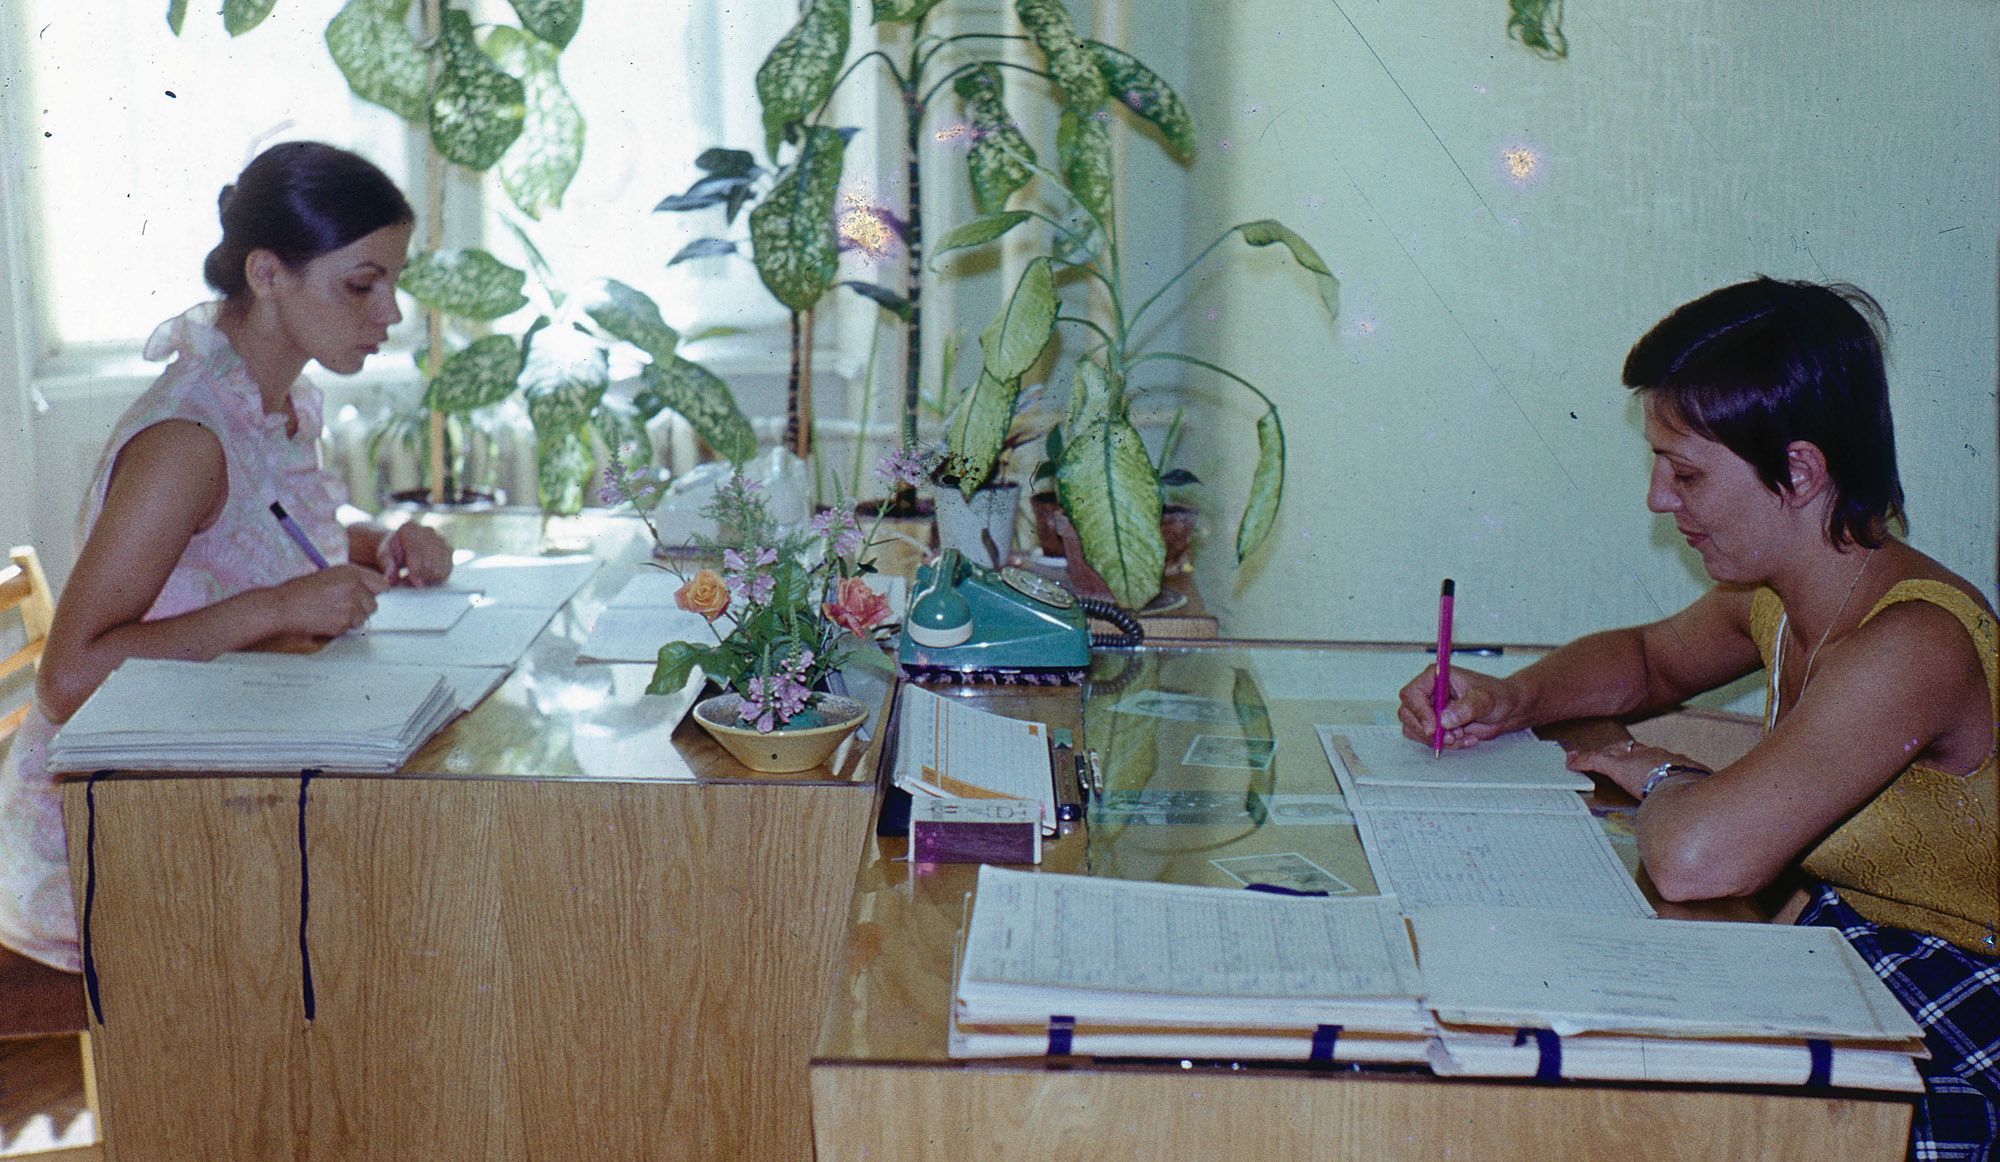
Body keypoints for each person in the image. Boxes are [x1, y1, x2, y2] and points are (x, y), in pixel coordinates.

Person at [1400, 276, 1997, 1158]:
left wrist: (1664, 775)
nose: (1658, 498)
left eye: (1685, 472)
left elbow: (1694, 859)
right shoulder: (1780, 594)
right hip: (1847, 961)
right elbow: (1649, 659)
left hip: (1961, 1011)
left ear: (1800, 472)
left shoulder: (1913, 643)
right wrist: (1509, 698)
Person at [0, 141, 453, 973]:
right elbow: (67, 678)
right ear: (268, 273)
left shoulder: (266, 400)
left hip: (203, 778)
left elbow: (263, 522)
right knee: (398, 906)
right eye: (362, 284)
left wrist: (378, 539)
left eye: (393, 281)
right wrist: (276, 608)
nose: (390, 313)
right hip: (108, 840)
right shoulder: (185, 439)